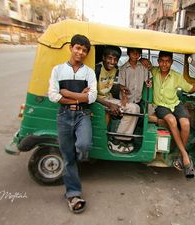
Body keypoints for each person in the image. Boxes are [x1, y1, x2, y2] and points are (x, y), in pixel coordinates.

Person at [48, 34, 97, 214]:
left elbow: (92, 97)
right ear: (71, 47)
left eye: (84, 50)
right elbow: (53, 95)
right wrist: (78, 97)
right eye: (78, 48)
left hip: (83, 115)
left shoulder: (89, 72)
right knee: (68, 158)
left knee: (83, 145)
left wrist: (67, 93)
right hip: (63, 116)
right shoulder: (58, 70)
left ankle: (73, 169)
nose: (81, 52)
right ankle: (73, 194)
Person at [151, 51, 195, 179]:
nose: (164, 64)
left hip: (175, 104)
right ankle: (185, 155)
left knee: (185, 123)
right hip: (160, 105)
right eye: (162, 61)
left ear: (171, 62)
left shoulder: (176, 76)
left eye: (167, 61)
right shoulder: (153, 71)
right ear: (158, 61)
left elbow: (190, 88)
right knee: (172, 120)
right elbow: (144, 66)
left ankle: (180, 155)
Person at [95, 46, 139, 153]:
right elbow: (91, 95)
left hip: (108, 99)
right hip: (98, 102)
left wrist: (121, 87)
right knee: (133, 109)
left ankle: (120, 138)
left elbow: (116, 82)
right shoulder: (97, 69)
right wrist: (110, 105)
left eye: (115, 60)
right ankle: (116, 141)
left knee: (135, 108)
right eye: (109, 58)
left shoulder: (115, 69)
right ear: (103, 58)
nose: (112, 62)